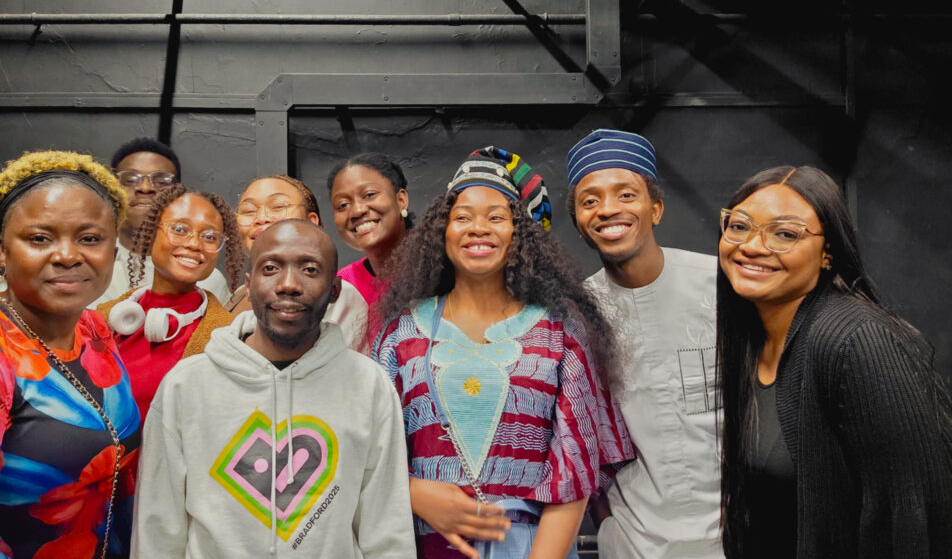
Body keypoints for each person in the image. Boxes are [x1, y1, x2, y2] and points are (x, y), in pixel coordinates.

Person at [373, 146, 633, 559]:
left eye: (496, 217)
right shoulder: (401, 333)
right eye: (462, 217)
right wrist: (414, 492)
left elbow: (575, 469)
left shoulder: (560, 332)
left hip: (531, 547)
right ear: (441, 231)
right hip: (422, 546)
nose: (478, 228)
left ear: (521, 234)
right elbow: (368, 451)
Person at [132, 220, 415, 559]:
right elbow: (158, 529)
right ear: (248, 287)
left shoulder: (369, 385)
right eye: (270, 268)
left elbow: (387, 528)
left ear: (335, 291)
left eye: (310, 269)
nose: (289, 285)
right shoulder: (187, 385)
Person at [716, 165, 952, 559]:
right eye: (739, 226)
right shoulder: (752, 339)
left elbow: (917, 517)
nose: (753, 246)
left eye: (785, 234)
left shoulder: (856, 340)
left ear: (828, 253)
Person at [0, 150, 141, 559]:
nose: (67, 255)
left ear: (114, 250)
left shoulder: (92, 329)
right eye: (40, 238)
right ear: (2, 251)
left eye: (90, 238)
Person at [566, 129, 722, 559]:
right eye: (590, 200)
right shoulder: (576, 316)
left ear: (655, 208)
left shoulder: (723, 286)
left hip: (738, 536)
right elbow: (581, 440)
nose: (608, 209)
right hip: (635, 543)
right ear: (580, 225)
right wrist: (609, 525)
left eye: (625, 194)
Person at [96, 184, 245, 423]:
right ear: (152, 233)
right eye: (179, 229)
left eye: (209, 236)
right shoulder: (103, 320)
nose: (195, 244)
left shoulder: (227, 337)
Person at [228, 174, 368, 350]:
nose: (261, 218)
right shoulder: (240, 295)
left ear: (311, 222)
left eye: (278, 206)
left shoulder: (339, 297)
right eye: (248, 211)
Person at [94, 137, 231, 305]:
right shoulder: (88, 263)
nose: (145, 188)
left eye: (161, 181)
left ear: (178, 194)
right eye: (130, 180)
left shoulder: (209, 279)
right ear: (112, 190)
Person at [327, 153, 411, 342]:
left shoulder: (441, 272)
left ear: (401, 200)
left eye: (369, 195)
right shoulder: (343, 286)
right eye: (343, 205)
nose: (357, 210)